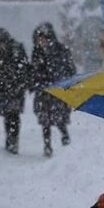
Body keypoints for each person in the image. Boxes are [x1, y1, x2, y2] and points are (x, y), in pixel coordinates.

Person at [29, 22, 76, 157]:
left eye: (44, 38)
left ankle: (65, 139)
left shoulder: (61, 50)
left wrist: (63, 84)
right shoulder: (37, 53)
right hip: (43, 92)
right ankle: (47, 145)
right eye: (39, 39)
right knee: (45, 121)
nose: (42, 41)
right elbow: (34, 71)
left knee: (60, 119)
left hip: (58, 91)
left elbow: (69, 69)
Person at [0, 28, 30, 155]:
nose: (0, 45)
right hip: (3, 88)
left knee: (14, 115)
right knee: (7, 115)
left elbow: (23, 68)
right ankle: (9, 138)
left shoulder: (17, 49)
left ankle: (13, 140)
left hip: (16, 88)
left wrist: (19, 84)